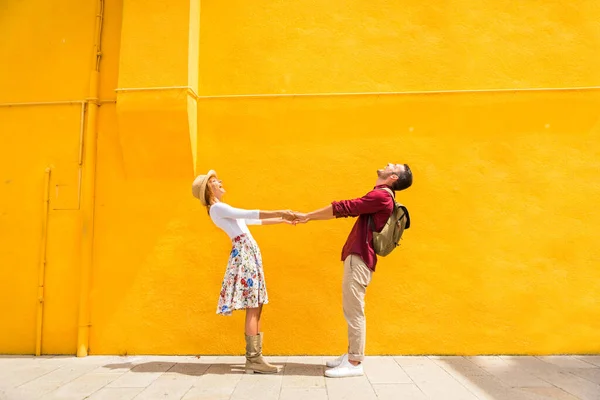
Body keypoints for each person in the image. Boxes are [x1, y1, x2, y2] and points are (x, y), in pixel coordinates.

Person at [292, 163, 413, 378]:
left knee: (354, 310)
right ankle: (351, 354)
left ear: (394, 176)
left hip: (360, 259)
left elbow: (345, 207)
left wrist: (307, 216)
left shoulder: (382, 197)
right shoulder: (382, 196)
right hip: (358, 258)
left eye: (393, 165)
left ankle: (355, 361)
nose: (387, 163)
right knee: (351, 308)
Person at [192, 170, 295, 374]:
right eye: (214, 181)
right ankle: (254, 359)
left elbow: (252, 221)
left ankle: (255, 358)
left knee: (256, 305)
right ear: (208, 189)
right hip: (245, 254)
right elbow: (248, 214)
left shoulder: (222, 209)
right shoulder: (218, 208)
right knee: (253, 305)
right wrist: (280, 211)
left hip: (248, 254)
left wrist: (282, 219)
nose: (220, 182)